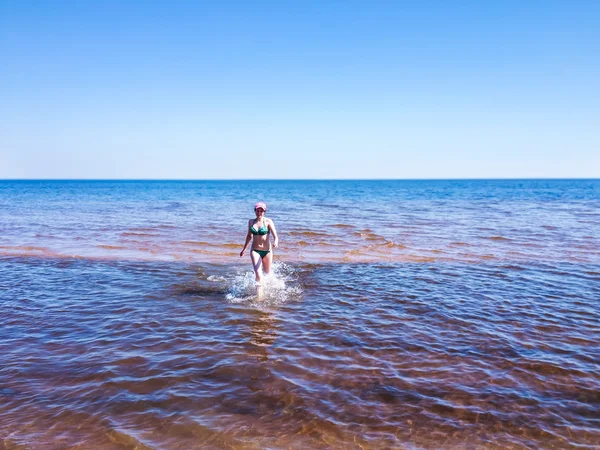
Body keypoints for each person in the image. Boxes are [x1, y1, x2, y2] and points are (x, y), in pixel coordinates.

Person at [240, 202, 278, 284]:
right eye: (257, 211)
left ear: (264, 212)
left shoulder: (268, 221)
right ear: (255, 211)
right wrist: (244, 249)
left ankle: (269, 290)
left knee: (267, 274)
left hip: (267, 251)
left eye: (261, 211)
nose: (259, 213)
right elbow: (249, 236)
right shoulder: (251, 222)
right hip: (255, 250)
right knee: (258, 274)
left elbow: (275, 235)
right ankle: (259, 296)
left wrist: (276, 241)